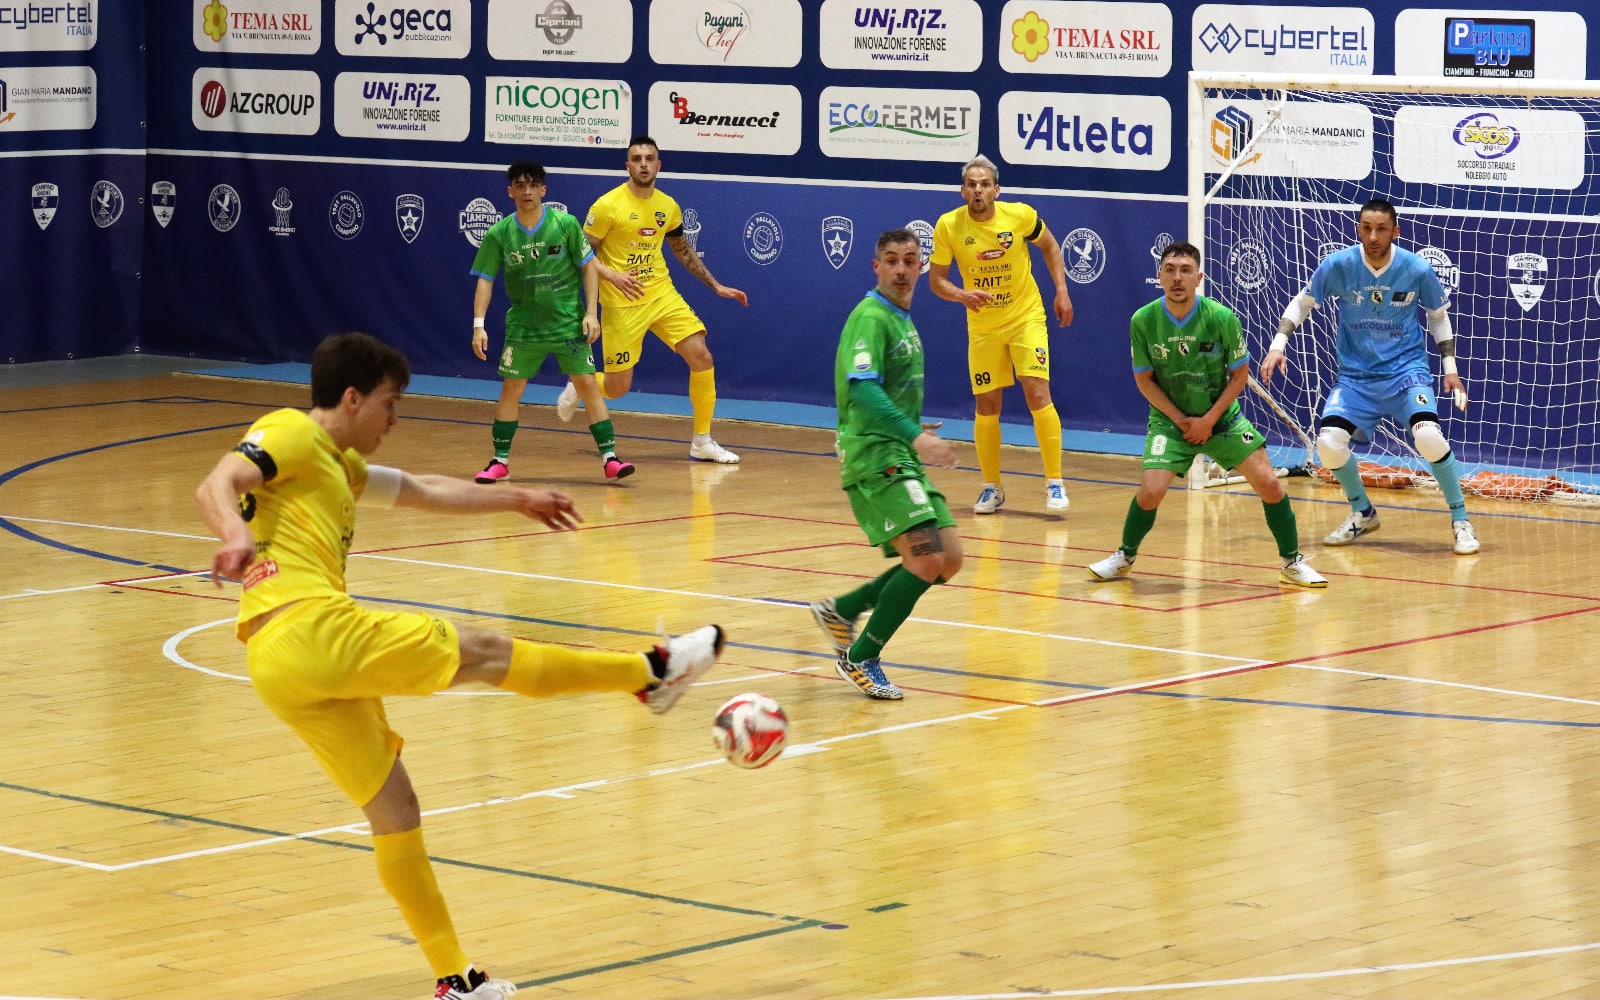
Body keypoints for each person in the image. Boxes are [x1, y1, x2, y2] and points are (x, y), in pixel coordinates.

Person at [194, 332, 725, 1000]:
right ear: (352, 398)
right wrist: (234, 535)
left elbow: (421, 488)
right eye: (391, 403)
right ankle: (650, 674)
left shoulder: (337, 464)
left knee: (396, 809)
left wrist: (517, 496)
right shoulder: (293, 433)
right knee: (485, 652)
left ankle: (455, 980)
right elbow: (218, 481)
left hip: (278, 661)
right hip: (311, 626)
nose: (396, 418)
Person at [1087, 242, 1327, 588]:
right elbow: (1144, 380)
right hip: (1171, 422)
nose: (1177, 278)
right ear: (1159, 276)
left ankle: (1292, 563)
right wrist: (1181, 420)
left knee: (1270, 485)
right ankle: (1124, 556)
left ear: (1198, 278)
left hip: (1222, 419)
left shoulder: (1221, 318)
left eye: (1185, 270)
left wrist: (1207, 421)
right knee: (1151, 491)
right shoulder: (1143, 320)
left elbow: (1240, 376)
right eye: (1169, 269)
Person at [1260, 197, 1480, 555]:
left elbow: (1437, 317)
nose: (1373, 236)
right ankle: (1363, 513)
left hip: (1406, 373)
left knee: (1428, 437)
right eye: (1366, 228)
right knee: (1329, 444)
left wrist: (1450, 370)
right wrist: (1277, 344)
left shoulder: (1417, 269)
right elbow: (1301, 303)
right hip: (1356, 379)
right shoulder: (1338, 266)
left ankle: (1460, 521)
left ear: (1396, 231)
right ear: (1358, 229)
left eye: (1381, 229)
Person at [809, 229, 964, 700]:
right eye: (892, 261)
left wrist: (913, 428)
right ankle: (860, 659)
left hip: (899, 453)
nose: (901, 269)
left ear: (922, 267)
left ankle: (843, 609)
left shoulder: (901, 317)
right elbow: (862, 388)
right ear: (876, 267)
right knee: (926, 558)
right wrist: (915, 435)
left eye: (910, 260)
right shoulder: (872, 317)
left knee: (949, 560)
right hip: (876, 457)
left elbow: (887, 392)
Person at [556, 134, 746, 464]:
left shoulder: (668, 206)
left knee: (701, 356)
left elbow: (682, 250)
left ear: (658, 165)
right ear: (627, 165)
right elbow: (580, 252)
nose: (643, 164)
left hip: (661, 294)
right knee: (617, 388)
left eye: (649, 158)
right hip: (621, 302)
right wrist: (612, 275)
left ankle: (702, 441)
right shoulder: (607, 206)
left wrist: (715, 286)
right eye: (636, 158)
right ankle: (582, 384)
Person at [469, 160, 636, 484]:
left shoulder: (566, 224)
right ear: (510, 192)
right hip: (524, 327)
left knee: (587, 385)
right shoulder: (499, 233)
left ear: (543, 190)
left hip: (567, 323)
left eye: (533, 185)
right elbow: (485, 279)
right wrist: (479, 324)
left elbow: (588, 267)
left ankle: (610, 459)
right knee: (511, 390)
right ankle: (499, 462)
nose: (527, 191)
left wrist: (591, 313)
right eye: (520, 185)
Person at [928, 154, 1075, 514]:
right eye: (971, 184)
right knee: (987, 405)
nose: (978, 190)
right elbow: (936, 281)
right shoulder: (948, 226)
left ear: (996, 189)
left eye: (984, 184)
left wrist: (1061, 290)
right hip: (983, 325)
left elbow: (1051, 246)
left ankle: (1055, 483)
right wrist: (962, 295)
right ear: (963, 191)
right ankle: (991, 487)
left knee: (1037, 391)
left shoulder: (1020, 216)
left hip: (1025, 316)